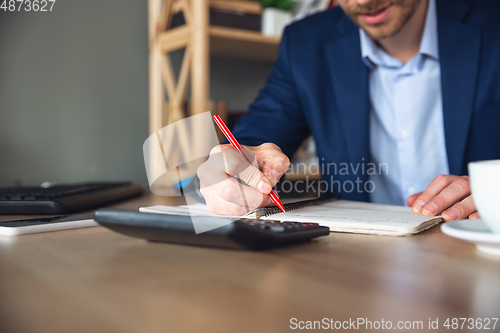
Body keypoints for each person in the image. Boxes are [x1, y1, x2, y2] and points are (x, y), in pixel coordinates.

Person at [196, 0, 500, 221]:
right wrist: (229, 168)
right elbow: (257, 136)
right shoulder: (305, 43)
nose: (363, 2)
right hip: (357, 263)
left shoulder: (492, 21)